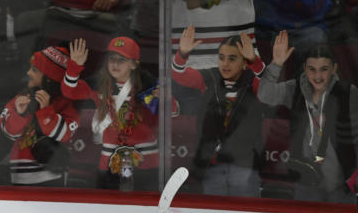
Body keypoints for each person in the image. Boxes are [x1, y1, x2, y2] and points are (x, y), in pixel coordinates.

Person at [255, 31, 358, 203]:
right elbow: (265, 95)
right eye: (312, 69)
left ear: (334, 69)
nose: (317, 76)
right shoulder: (295, 89)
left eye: (324, 69)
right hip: (306, 180)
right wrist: (276, 63)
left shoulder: (348, 93)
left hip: (341, 183)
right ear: (304, 68)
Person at [172, 25, 267, 197]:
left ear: (245, 63)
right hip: (212, 167)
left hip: (244, 166)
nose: (225, 63)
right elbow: (180, 76)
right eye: (221, 58)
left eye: (232, 59)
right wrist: (182, 54)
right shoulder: (211, 79)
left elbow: (269, 88)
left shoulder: (252, 84)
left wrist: (255, 61)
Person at [62, 35, 164, 191]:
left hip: (147, 162)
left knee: (145, 212)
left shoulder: (149, 86)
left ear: (134, 64)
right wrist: (74, 67)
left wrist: (164, 99)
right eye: (111, 59)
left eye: (121, 59)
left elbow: (171, 111)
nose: (115, 64)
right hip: (109, 162)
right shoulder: (99, 84)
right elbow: (70, 92)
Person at [0, 45, 78, 186]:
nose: (28, 72)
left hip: (52, 178)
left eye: (34, 70)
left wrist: (46, 111)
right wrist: (19, 113)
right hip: (19, 178)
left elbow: (65, 134)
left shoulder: (65, 104)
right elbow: (8, 132)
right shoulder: (22, 97)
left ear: (49, 78)